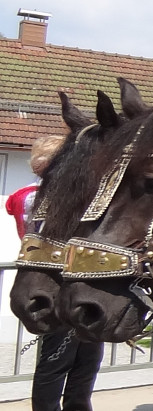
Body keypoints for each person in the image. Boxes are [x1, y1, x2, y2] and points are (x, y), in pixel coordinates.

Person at [6, 135, 105, 411]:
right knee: (57, 359)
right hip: (54, 280)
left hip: (84, 280)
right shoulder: (34, 196)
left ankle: (78, 406)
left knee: (87, 359)